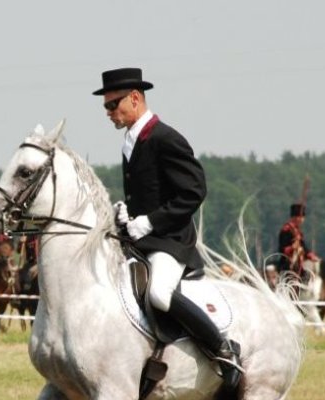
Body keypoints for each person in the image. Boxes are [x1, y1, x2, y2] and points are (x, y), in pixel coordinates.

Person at [93, 67, 242, 388]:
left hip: (171, 241)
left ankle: (223, 350)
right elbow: (145, 193)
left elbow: (193, 191)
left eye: (112, 104)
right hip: (142, 241)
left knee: (159, 294)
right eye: (105, 106)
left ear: (134, 99)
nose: (108, 112)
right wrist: (127, 214)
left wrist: (149, 222)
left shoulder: (165, 138)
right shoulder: (131, 140)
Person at [277, 203, 319, 276]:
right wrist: (292, 247)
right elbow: (282, 248)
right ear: (295, 217)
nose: (302, 219)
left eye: (302, 217)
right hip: (287, 262)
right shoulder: (286, 230)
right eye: (300, 217)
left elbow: (303, 246)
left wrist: (310, 255)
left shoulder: (298, 231)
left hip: (299, 260)